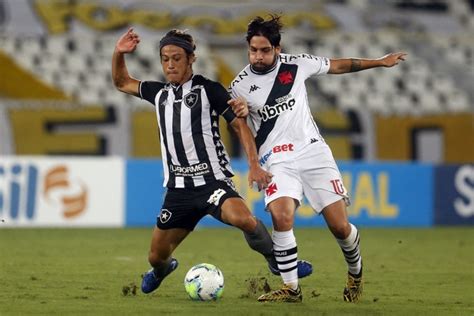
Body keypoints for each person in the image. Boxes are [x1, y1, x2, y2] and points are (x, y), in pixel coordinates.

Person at [111, 28, 313, 295]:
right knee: (155, 256)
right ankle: (162, 269)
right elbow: (121, 82)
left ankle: (278, 262)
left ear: (191, 58)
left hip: (212, 183)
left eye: (177, 58)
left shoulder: (210, 90)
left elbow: (239, 124)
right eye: (165, 58)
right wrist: (118, 52)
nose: (170, 64)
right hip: (179, 192)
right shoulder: (157, 93)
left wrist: (254, 165)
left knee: (245, 219)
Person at [229, 15, 407, 303]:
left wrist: (379, 61)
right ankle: (291, 289)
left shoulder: (297, 64)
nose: (257, 57)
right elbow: (242, 129)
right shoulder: (239, 85)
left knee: (340, 227)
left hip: (313, 152)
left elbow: (340, 65)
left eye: (264, 50)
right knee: (280, 215)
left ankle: (355, 271)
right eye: (252, 50)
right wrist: (253, 163)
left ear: (277, 47)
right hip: (277, 159)